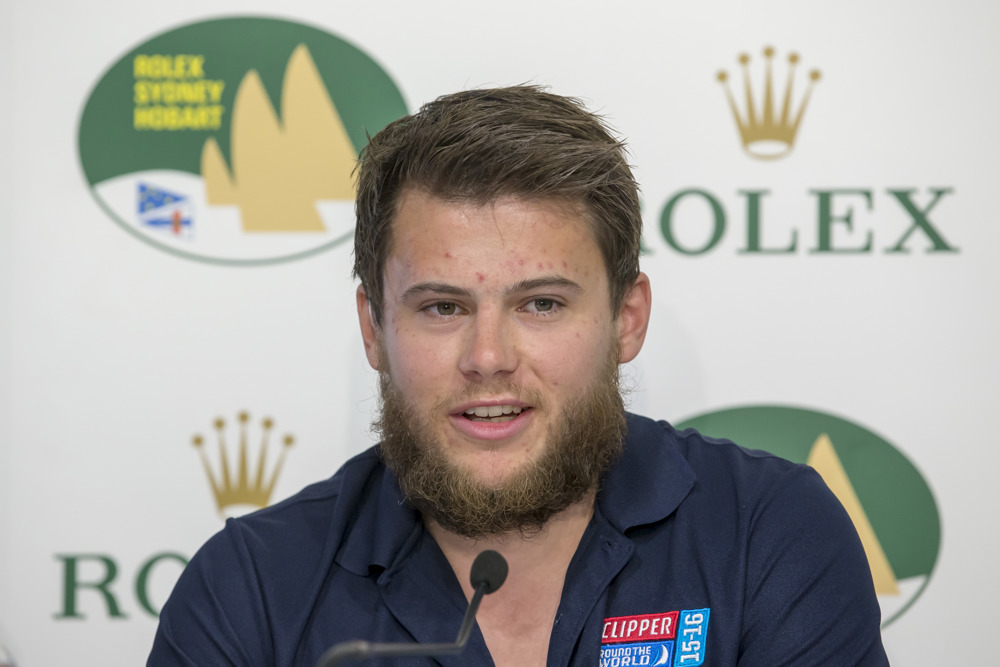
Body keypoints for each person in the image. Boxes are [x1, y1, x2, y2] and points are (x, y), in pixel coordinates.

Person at [149, 86, 888, 666]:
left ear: (627, 320)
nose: (489, 355)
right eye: (442, 306)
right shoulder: (248, 588)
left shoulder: (768, 535)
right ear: (375, 328)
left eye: (541, 302)